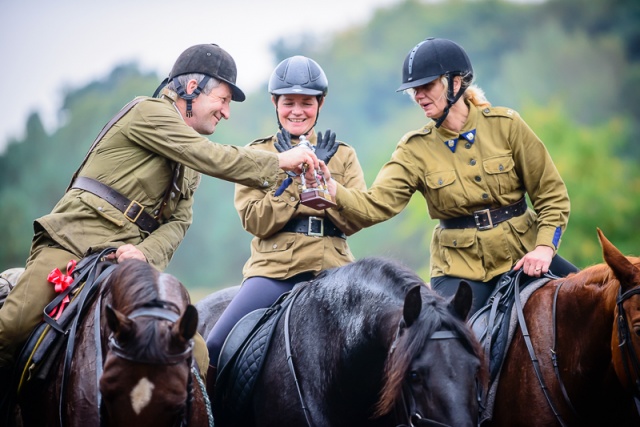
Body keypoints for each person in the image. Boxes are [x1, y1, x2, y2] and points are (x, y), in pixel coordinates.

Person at [0, 43, 319, 397]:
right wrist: (280, 162)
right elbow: (209, 156)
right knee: (10, 329)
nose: (226, 113)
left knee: (196, 353)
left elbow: (179, 223)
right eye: (224, 99)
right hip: (74, 242)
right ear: (193, 89)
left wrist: (144, 254)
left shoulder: (188, 162)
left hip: (129, 262)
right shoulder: (148, 112)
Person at [321, 37, 578, 315]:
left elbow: (552, 196)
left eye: (426, 86)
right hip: (459, 267)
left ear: (455, 83)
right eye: (413, 90)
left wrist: (543, 249)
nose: (418, 96)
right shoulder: (413, 149)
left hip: (525, 252)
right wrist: (331, 187)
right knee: (444, 342)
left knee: (600, 302)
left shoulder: (507, 125)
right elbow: (375, 205)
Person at [204, 55, 366, 392]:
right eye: (288, 102)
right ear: (275, 104)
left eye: (306, 103)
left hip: (335, 269)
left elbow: (356, 218)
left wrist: (321, 177)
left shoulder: (343, 154)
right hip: (274, 270)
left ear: (320, 104)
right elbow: (255, 220)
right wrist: (293, 179)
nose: (297, 111)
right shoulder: (257, 154)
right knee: (214, 347)